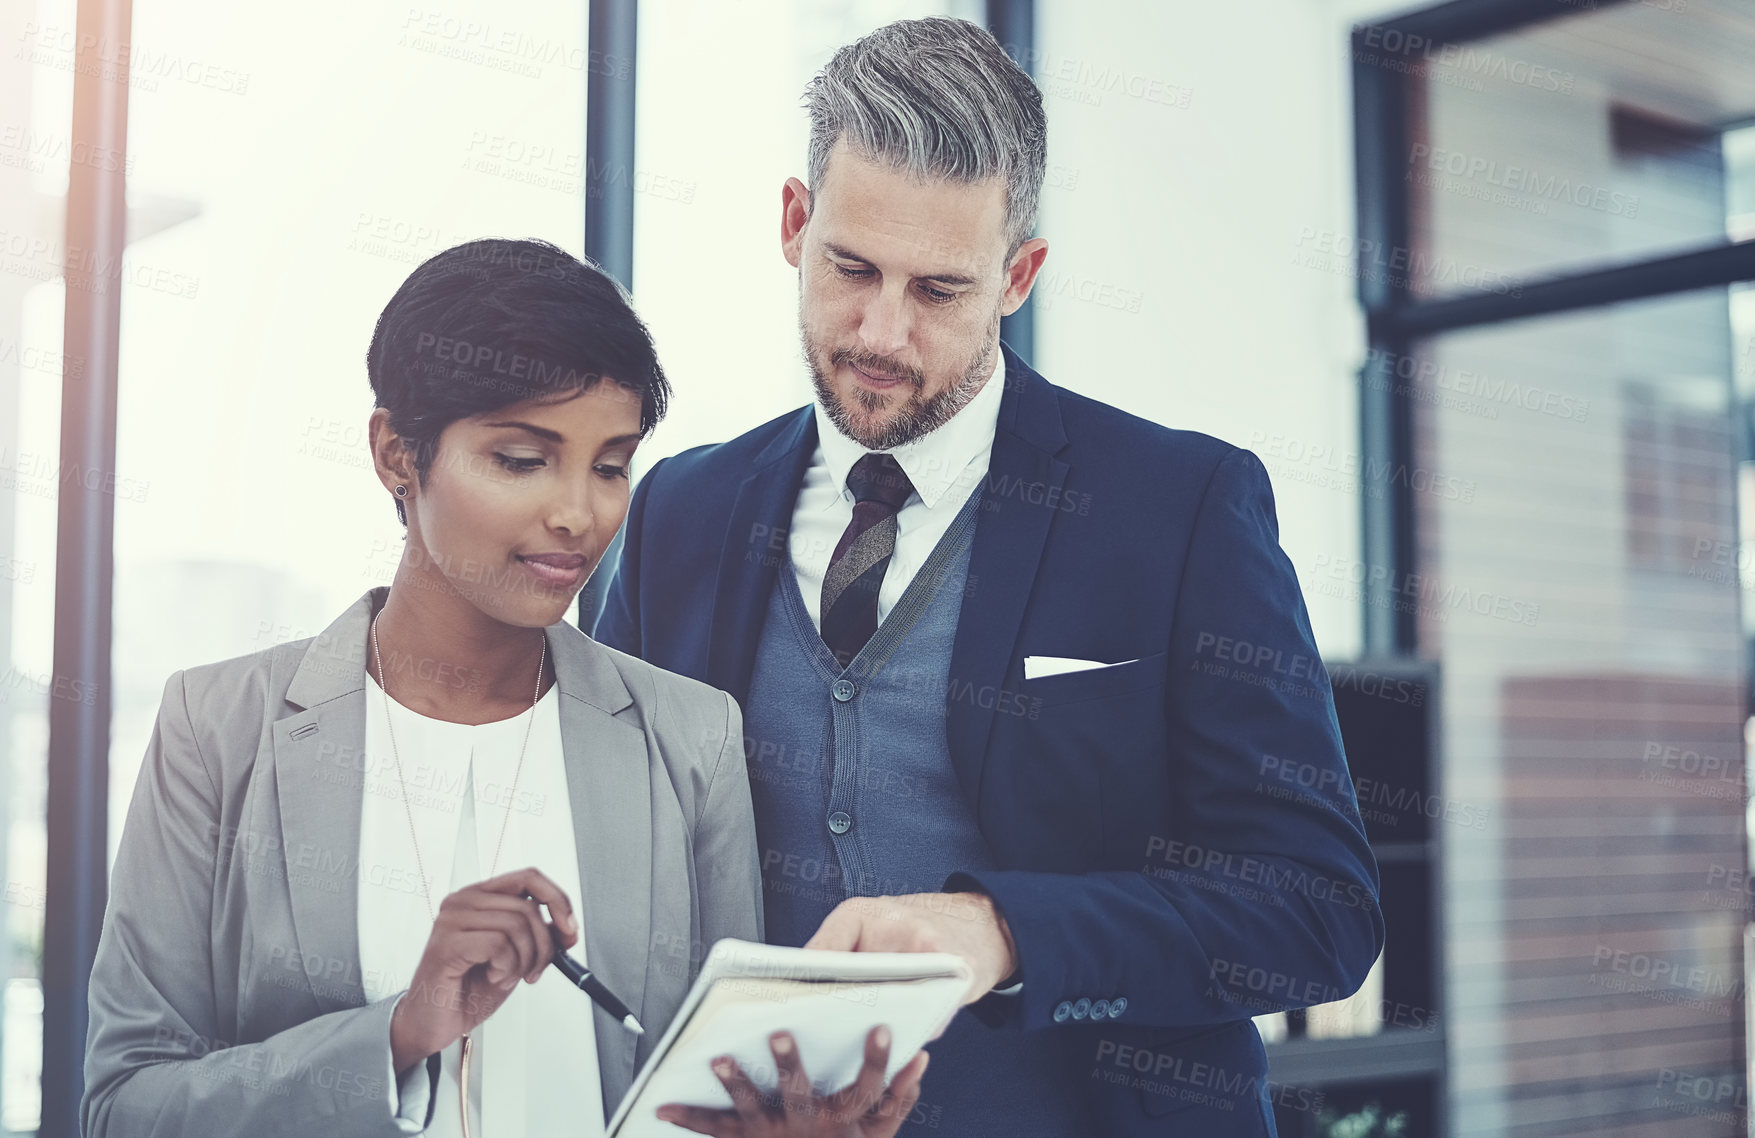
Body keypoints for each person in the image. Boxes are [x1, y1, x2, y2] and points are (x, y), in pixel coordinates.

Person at [597, 18, 1385, 1138]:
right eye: (852, 267)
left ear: (1018, 276)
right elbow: (626, 858)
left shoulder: (1181, 508)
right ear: (792, 223)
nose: (881, 332)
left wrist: (1004, 932)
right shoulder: (682, 509)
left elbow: (1318, 910)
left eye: (939, 290)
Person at [81, 238, 926, 1138]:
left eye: (609, 465)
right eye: (522, 459)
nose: (577, 512)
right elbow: (123, 1105)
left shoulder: (690, 739)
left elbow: (706, 1094)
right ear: (396, 455)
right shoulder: (217, 728)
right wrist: (398, 1036)